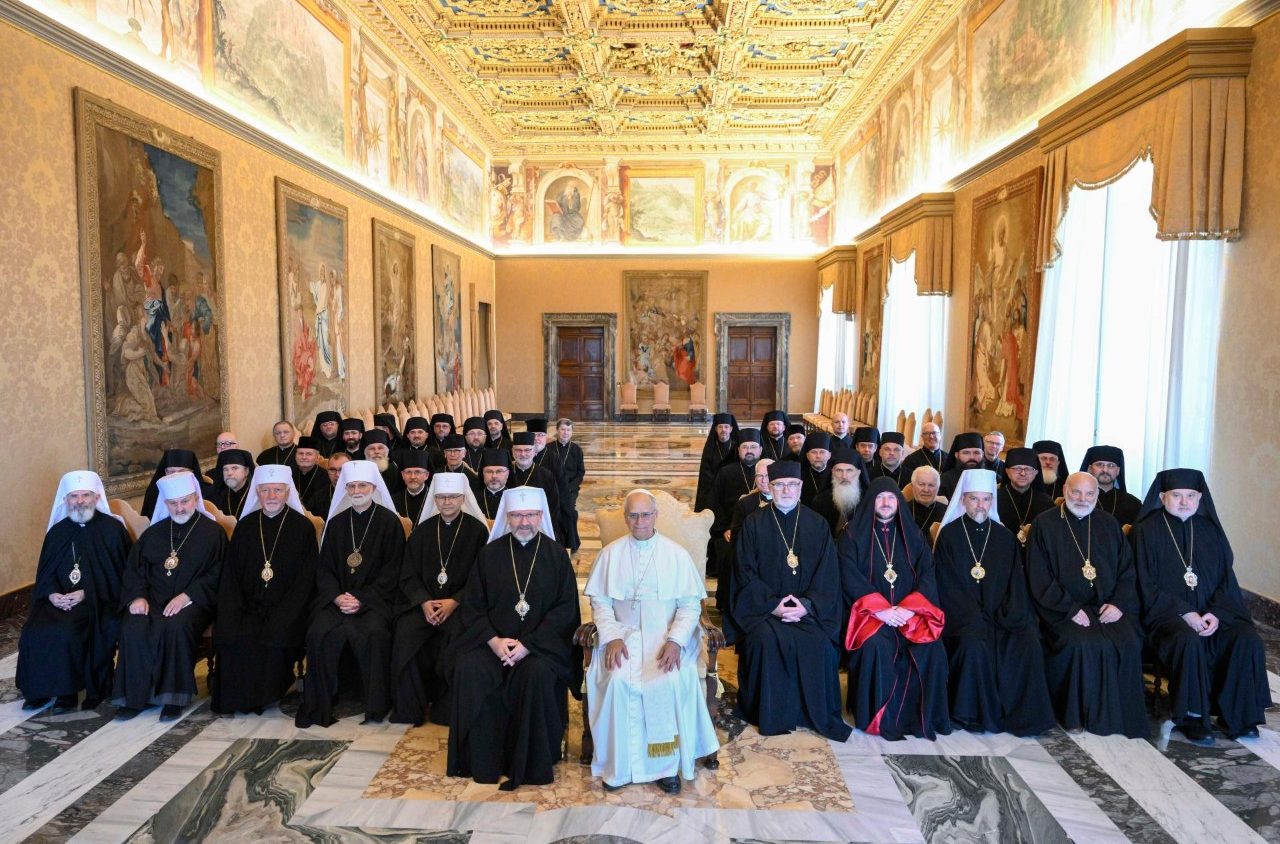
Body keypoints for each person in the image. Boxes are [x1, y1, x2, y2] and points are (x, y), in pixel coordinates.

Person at [585, 489, 719, 794]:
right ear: (625, 518)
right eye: (633, 515)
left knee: (667, 681)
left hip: (665, 637)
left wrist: (676, 641)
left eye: (645, 514)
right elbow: (601, 603)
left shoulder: (676, 555)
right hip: (623, 636)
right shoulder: (610, 555)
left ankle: (666, 768)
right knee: (617, 681)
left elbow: (690, 606)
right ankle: (619, 767)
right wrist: (612, 637)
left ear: (655, 516)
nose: (640, 521)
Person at [447, 487, 580, 790]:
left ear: (541, 516)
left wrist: (528, 645)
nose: (524, 522)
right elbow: (473, 605)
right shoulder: (489, 554)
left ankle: (531, 762)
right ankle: (480, 761)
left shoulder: (557, 556)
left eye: (530, 515)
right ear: (507, 518)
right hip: (492, 644)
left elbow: (565, 611)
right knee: (470, 668)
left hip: (538, 649)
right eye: (517, 515)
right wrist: (493, 641)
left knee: (536, 674)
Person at [1133, 469, 1270, 742]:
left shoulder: (1210, 531)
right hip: (1166, 616)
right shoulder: (1145, 531)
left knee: (1246, 638)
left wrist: (1216, 614)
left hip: (1211, 613)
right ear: (1162, 497)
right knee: (1187, 639)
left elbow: (1226, 581)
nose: (1184, 502)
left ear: (1200, 498)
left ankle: (1240, 715)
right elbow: (1142, 583)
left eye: (1191, 496)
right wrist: (1185, 612)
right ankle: (1192, 716)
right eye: (1177, 495)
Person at [734, 462, 852, 741]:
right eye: (779, 485)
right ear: (770, 487)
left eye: (792, 484)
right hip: (765, 612)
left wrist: (807, 605)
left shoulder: (817, 524)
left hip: (807, 611)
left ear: (800, 487)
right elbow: (744, 572)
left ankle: (810, 713)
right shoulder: (753, 523)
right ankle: (774, 713)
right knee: (765, 642)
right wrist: (772, 606)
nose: (786, 490)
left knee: (820, 644)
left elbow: (828, 574)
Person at [932, 470, 1054, 736]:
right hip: (963, 618)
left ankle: (1023, 716)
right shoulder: (949, 535)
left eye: (986, 499)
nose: (980, 505)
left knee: (1028, 641)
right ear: (963, 499)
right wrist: (973, 616)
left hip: (1002, 615)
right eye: (974, 499)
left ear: (992, 501)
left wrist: (1008, 614)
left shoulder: (1004, 537)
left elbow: (1015, 583)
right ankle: (972, 715)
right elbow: (946, 585)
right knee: (973, 643)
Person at [1026, 472, 1146, 737]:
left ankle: (1121, 717)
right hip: (1061, 609)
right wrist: (1070, 609)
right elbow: (1038, 576)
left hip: (1106, 607)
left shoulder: (1109, 524)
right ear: (1065, 490)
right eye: (1076, 492)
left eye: (1089, 493)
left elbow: (1127, 571)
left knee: (1127, 641)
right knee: (1081, 642)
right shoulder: (1044, 524)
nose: (1082, 499)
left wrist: (1118, 604)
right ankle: (1074, 715)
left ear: (1096, 495)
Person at [295, 461, 406, 728]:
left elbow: (393, 570)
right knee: (319, 631)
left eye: (362, 485)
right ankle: (323, 700)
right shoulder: (336, 523)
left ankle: (375, 704)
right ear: (345, 489)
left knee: (374, 633)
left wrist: (361, 599)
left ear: (373, 487)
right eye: (352, 486)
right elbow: (324, 568)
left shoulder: (389, 522)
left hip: (374, 602)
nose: (357, 491)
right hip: (337, 600)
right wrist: (336, 597)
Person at [841, 478, 950, 740]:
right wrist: (880, 610)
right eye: (880, 498)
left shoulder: (915, 536)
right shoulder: (851, 535)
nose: (886, 503)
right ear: (871, 502)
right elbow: (848, 575)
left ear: (899, 502)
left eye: (891, 498)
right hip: (870, 617)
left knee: (931, 647)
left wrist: (911, 609)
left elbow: (928, 574)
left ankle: (921, 717)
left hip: (909, 615)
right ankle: (877, 718)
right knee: (876, 646)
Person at [113, 472, 225, 721]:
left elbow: (218, 573)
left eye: (185, 501)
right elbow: (135, 570)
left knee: (175, 626)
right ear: (165, 504)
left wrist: (188, 596)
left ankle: (173, 698)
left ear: (195, 499)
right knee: (133, 625)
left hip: (194, 602)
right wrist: (138, 597)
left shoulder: (213, 533)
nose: (180, 508)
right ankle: (134, 698)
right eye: (173, 503)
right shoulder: (153, 533)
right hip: (152, 599)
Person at [17, 471, 130, 713]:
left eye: (85, 495)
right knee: (34, 629)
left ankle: (66, 694)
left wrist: (85, 593)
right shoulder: (57, 532)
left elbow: (121, 576)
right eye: (74, 496)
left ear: (96, 497)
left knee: (66, 630)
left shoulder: (112, 530)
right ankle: (39, 690)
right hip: (59, 600)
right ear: (65, 500)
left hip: (99, 601)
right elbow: (45, 574)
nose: (80, 501)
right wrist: (52, 595)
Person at [211, 465, 317, 715]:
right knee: (235, 634)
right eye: (265, 490)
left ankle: (265, 695)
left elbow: (307, 580)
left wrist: (286, 612)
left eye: (277, 490)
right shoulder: (245, 526)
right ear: (257, 493)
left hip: (288, 609)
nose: (271, 496)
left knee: (273, 633)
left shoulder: (302, 527)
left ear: (287, 492)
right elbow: (232, 576)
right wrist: (237, 610)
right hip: (248, 607)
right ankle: (238, 699)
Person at [390, 473, 489, 726]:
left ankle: (446, 708)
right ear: (434, 499)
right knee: (405, 633)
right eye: (442, 497)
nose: (447, 502)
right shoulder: (423, 531)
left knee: (458, 635)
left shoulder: (477, 531)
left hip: (461, 606)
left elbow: (483, 577)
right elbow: (408, 574)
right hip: (424, 605)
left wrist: (454, 601)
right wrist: (424, 602)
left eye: (452, 497)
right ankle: (410, 707)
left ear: (462, 498)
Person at [709, 429, 763, 624]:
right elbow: (715, 504)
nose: (749, 451)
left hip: (761, 532)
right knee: (727, 552)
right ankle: (727, 603)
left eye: (753, 447)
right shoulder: (726, 472)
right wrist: (725, 528)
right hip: (730, 530)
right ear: (738, 449)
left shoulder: (768, 472)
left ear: (760, 449)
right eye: (745, 447)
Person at [999, 447, 1055, 551]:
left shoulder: (1047, 503)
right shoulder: (993, 499)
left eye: (1028, 469)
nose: (1023, 473)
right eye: (1017, 468)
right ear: (1007, 471)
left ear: (1036, 473)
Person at [509, 433, 561, 541]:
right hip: (510, 529)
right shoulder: (506, 474)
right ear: (513, 452)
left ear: (534, 452)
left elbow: (553, 506)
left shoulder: (546, 475)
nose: (523, 454)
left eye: (527, 450)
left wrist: (539, 527)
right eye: (518, 450)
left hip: (539, 529)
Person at [139, 448, 212, 519]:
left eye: (182, 471)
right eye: (171, 472)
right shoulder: (153, 493)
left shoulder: (207, 493)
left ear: (192, 472)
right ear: (165, 472)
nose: (176, 476)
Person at [1081, 445, 1141, 527]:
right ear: (1090, 469)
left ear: (1118, 471)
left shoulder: (1133, 504)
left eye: (1111, 465)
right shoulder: (1078, 500)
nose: (1105, 470)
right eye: (1099, 464)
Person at [811, 448, 864, 536]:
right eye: (839, 470)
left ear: (858, 473)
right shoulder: (820, 501)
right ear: (832, 472)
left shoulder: (867, 500)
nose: (844, 476)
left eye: (849, 470)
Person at [550, 418, 585, 554]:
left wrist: (569, 487)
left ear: (572, 432)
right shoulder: (549, 448)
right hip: (552, 488)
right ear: (557, 431)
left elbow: (580, 472)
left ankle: (572, 543)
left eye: (568, 430)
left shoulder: (576, 450)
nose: (565, 433)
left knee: (569, 512)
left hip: (570, 489)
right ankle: (555, 542)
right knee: (554, 512)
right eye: (562, 429)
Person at [695, 413, 739, 513]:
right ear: (715, 429)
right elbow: (705, 472)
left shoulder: (737, 447)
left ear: (731, 429)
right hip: (713, 490)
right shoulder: (710, 448)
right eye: (720, 427)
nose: (723, 430)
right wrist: (718, 485)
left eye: (726, 427)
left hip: (733, 489)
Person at [209, 448, 255, 518]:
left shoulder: (256, 496)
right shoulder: (216, 496)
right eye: (225, 469)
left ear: (246, 471)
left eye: (234, 468)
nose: (229, 473)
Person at [938, 433, 985, 499]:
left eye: (976, 453)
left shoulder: (993, 479)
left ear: (982, 454)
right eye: (966, 453)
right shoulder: (944, 480)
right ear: (957, 455)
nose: (972, 457)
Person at [293, 436, 329, 515]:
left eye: (309, 454)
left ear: (317, 457)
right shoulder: (290, 474)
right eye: (300, 453)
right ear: (295, 456)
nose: (304, 457)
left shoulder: (325, 476)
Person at [907, 466, 947, 537]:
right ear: (913, 486)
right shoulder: (902, 510)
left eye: (931, 485)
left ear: (938, 488)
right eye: (921, 484)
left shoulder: (947, 513)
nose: (926, 490)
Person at [474, 449, 511, 524]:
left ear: (507, 473)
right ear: (483, 473)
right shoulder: (473, 499)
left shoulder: (514, 498)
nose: (494, 476)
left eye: (499, 471)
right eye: (489, 471)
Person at [395, 451, 432, 524]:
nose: (412, 477)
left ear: (426, 475)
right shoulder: (394, 500)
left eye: (417, 472)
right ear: (402, 475)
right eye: (408, 472)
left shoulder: (435, 499)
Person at [362, 429, 402, 494]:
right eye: (372, 448)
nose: (376, 452)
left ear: (387, 451)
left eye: (380, 448)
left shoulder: (395, 469)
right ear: (365, 452)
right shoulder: (359, 470)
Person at [800, 432, 832, 506]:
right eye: (814, 452)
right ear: (807, 456)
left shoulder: (836, 475)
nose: (818, 456)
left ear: (829, 455)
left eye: (822, 452)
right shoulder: (800, 476)